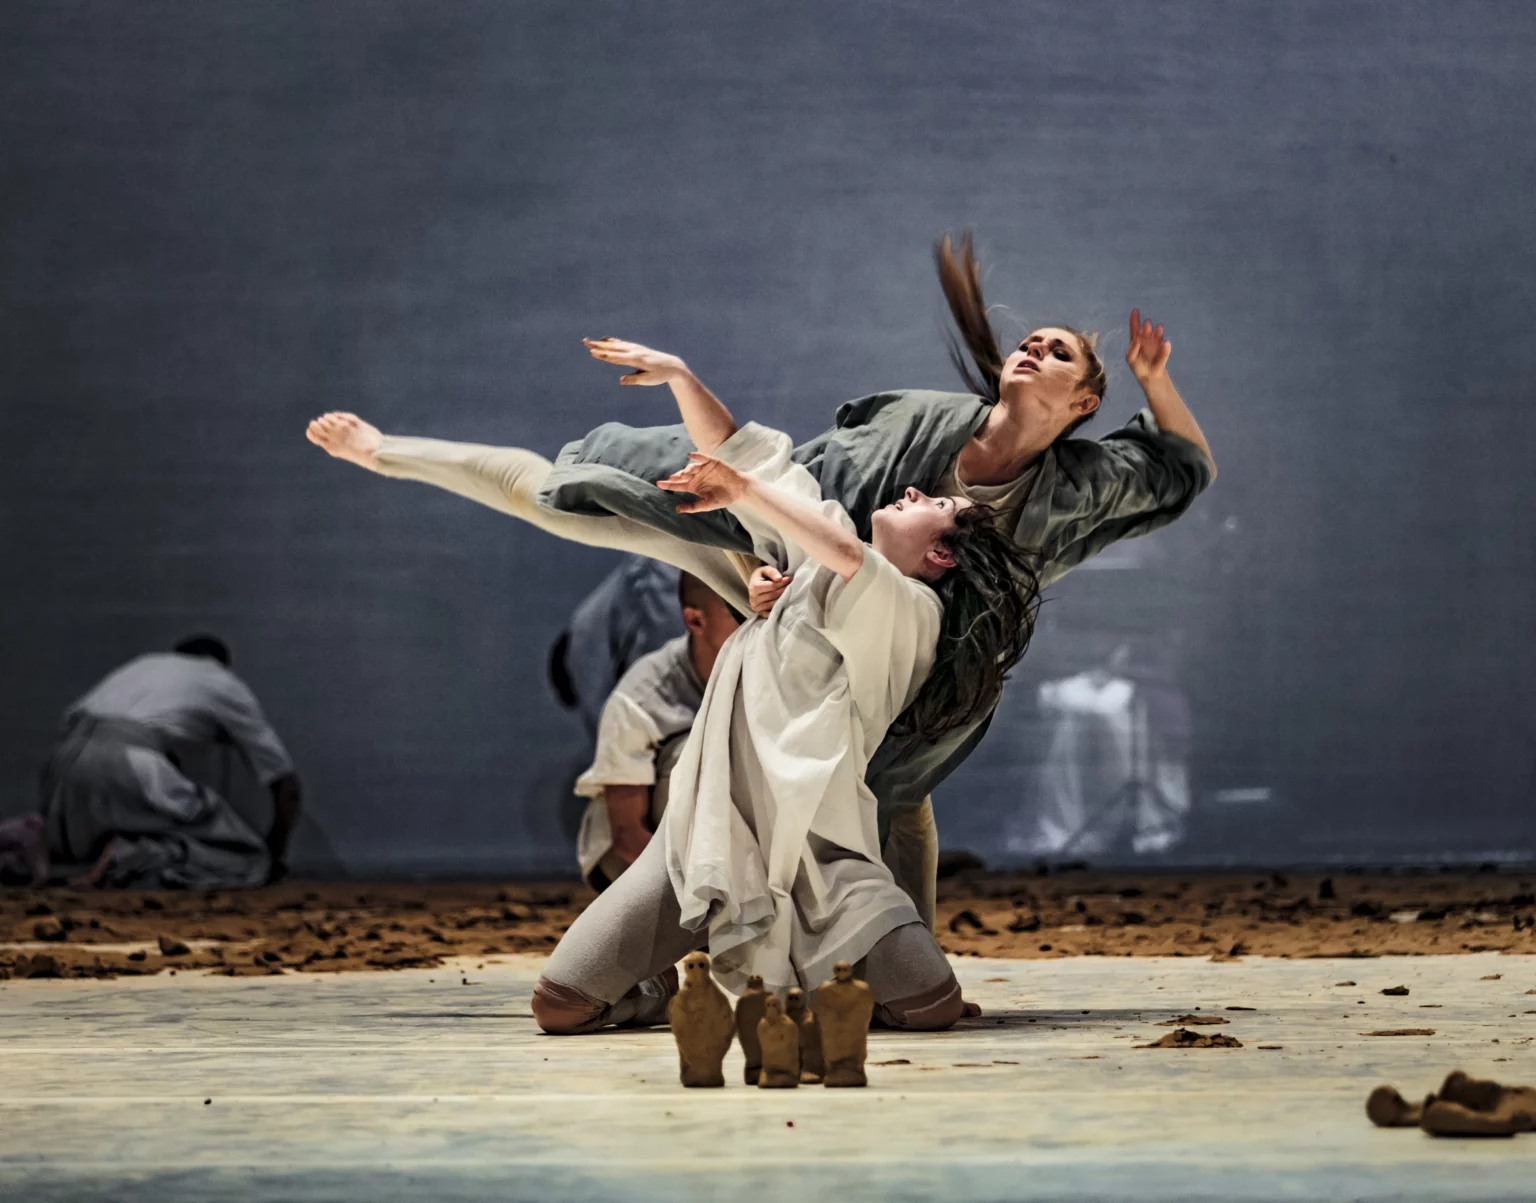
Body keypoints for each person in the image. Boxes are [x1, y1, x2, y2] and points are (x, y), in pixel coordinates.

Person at [305, 229, 1215, 920]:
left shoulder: (1081, 484)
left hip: (914, 653)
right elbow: (805, 486)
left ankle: (912, 956)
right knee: (577, 496)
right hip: (790, 565)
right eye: (1033, 341)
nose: (1034, 350)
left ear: (1087, 401)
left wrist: (1156, 378)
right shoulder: (926, 421)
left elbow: (1184, 469)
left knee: (900, 785)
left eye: (1060, 354)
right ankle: (390, 452)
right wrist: (773, 566)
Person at [526, 382, 1037, 1033]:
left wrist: (740, 493)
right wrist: (680, 376)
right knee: (559, 1005)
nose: (912, 491)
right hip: (701, 841)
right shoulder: (808, 566)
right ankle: (666, 979)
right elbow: (752, 453)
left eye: (933, 502)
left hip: (821, 860)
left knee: (931, 1007)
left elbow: (845, 552)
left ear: (940, 554)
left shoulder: (913, 611)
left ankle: (813, 972)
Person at [38, 635, 302, 889]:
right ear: (222, 664)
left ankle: (41, 849)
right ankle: (136, 854)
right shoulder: (222, 682)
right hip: (128, 758)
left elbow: (66, 723)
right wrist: (273, 856)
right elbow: (287, 787)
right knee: (242, 857)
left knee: (83, 847)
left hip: (63, 762)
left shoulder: (142, 665)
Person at [574, 571, 739, 890]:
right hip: (627, 865)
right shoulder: (641, 697)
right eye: (735, 611)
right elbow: (627, 837)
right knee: (693, 753)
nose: (752, 620)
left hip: (724, 863)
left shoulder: (769, 671)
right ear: (695, 620)